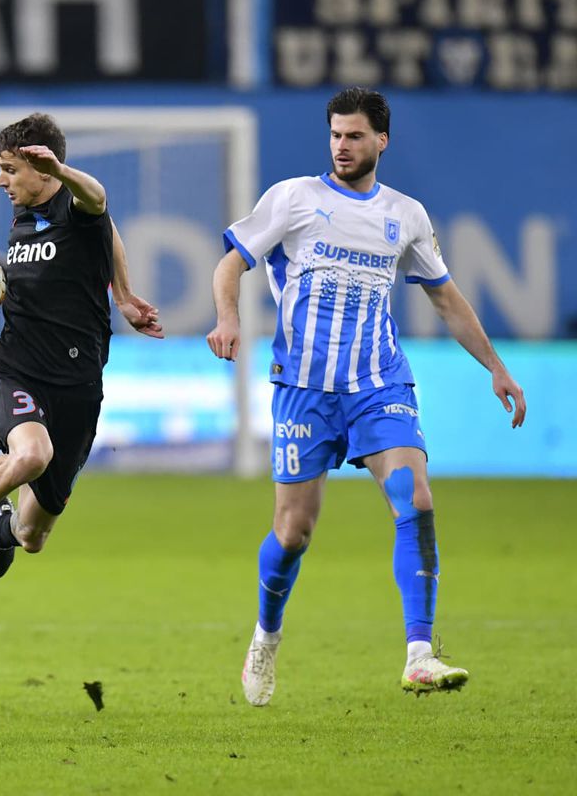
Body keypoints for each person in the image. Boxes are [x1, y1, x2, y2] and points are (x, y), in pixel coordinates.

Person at [206, 87, 527, 705]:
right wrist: (227, 317)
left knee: (415, 498)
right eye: (335, 135)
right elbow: (230, 264)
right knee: (293, 532)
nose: (342, 146)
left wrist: (496, 366)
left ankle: (420, 653)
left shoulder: (406, 215)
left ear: (382, 140)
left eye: (354, 135)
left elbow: (444, 297)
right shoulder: (294, 198)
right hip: (304, 387)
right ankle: (266, 636)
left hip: (379, 383)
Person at [0, 112, 162, 597]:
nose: (1, 182)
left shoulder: (75, 207)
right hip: (14, 368)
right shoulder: (23, 214)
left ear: (43, 170)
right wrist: (124, 293)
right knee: (31, 455)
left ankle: (3, 526)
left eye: (9, 170)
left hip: (77, 386)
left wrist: (124, 295)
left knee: (33, 536)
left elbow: (100, 207)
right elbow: (106, 227)